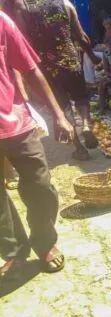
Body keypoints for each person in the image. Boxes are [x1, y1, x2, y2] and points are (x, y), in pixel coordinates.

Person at [0, 11, 75, 277]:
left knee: (41, 186)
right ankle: (14, 251)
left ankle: (44, 242)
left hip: (15, 122)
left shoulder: (2, 22)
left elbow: (30, 69)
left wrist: (58, 115)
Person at [6, 0, 99, 160]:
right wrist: (93, 56)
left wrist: (26, 73)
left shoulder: (23, 6)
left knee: (61, 107)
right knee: (81, 97)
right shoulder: (65, 3)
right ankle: (85, 125)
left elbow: (23, 41)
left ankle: (79, 148)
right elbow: (82, 37)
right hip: (71, 60)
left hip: (47, 67)